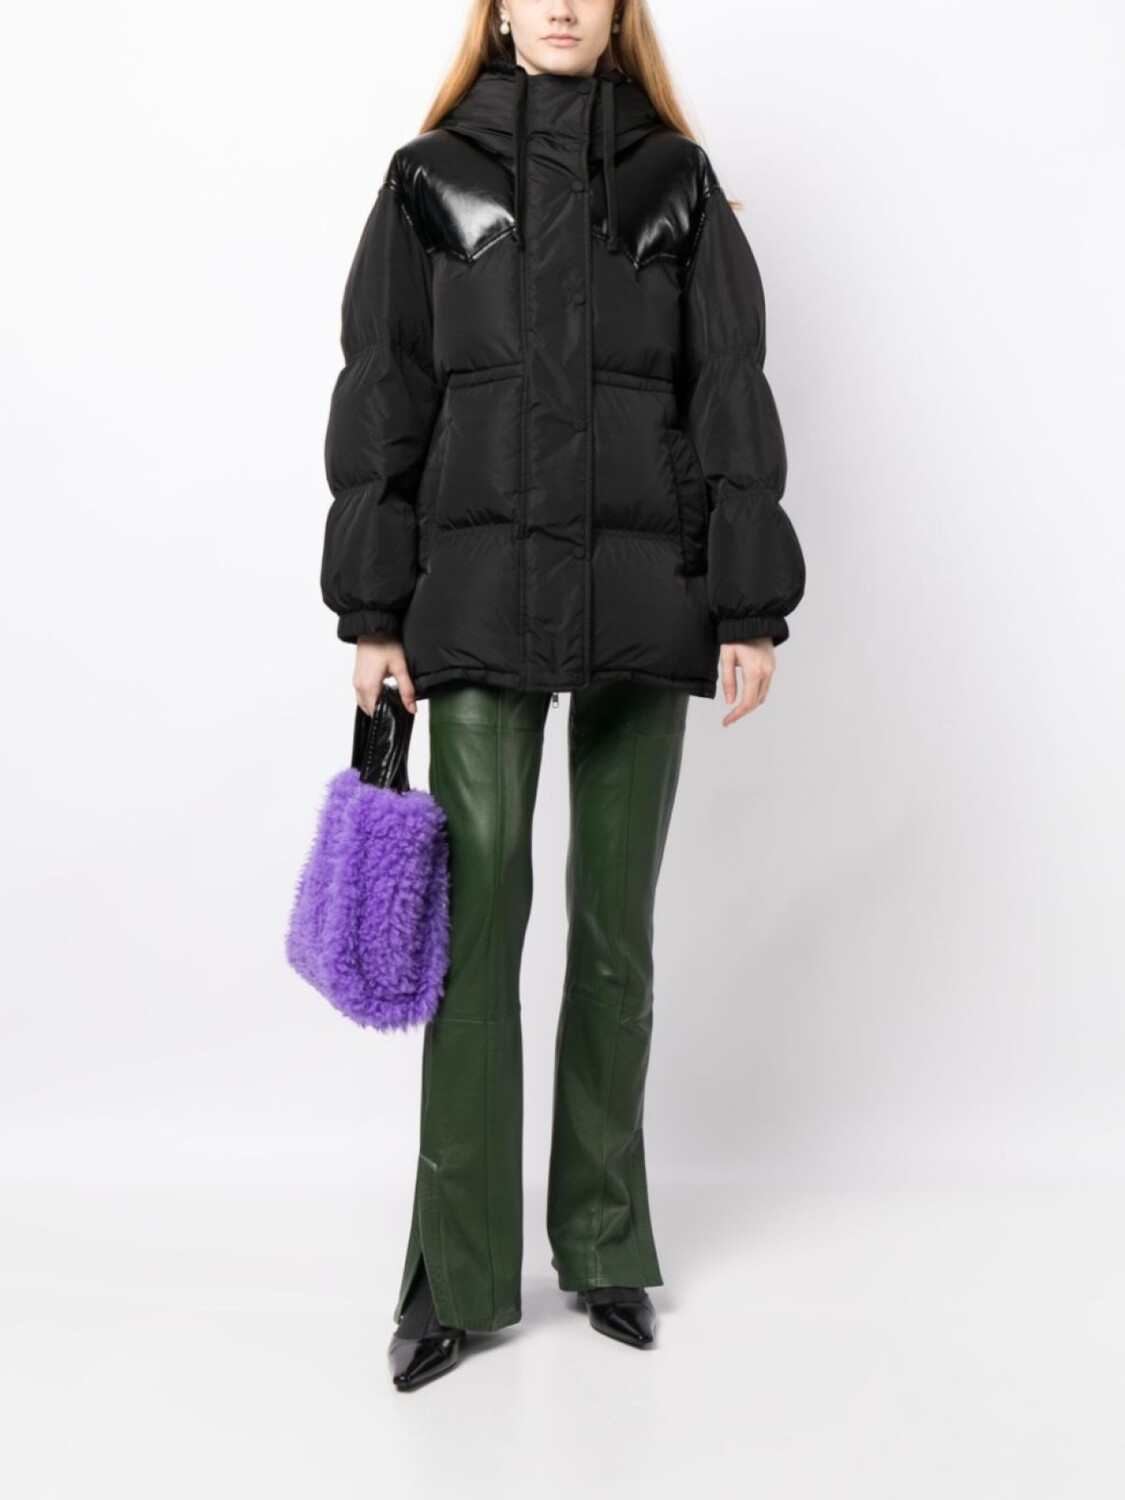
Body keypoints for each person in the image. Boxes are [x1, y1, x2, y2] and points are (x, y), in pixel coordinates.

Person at [319, 0, 806, 1391]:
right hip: (475, 608)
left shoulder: (675, 184)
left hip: (645, 604)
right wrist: (371, 610)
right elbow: (383, 392)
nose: (561, 5)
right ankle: (456, 1276)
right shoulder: (429, 181)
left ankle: (602, 1246)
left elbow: (728, 390)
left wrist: (748, 605)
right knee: (476, 936)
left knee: (614, 939)